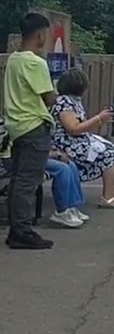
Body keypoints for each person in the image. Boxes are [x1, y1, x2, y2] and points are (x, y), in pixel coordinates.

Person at [3, 13, 57, 250]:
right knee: (28, 182)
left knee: (18, 180)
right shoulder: (36, 62)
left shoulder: (14, 59)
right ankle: (22, 231)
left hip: (16, 126)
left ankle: (17, 228)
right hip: (34, 125)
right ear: (40, 34)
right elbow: (49, 98)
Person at [51, 68, 114, 209]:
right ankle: (108, 196)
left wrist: (99, 121)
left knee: (108, 150)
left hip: (77, 141)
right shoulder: (64, 102)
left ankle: (109, 195)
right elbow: (73, 128)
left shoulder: (73, 101)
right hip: (67, 145)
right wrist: (98, 118)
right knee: (110, 156)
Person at [43, 152, 88, 228]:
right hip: (31, 159)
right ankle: (61, 211)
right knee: (63, 169)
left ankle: (72, 207)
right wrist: (56, 155)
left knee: (71, 164)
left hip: (42, 156)